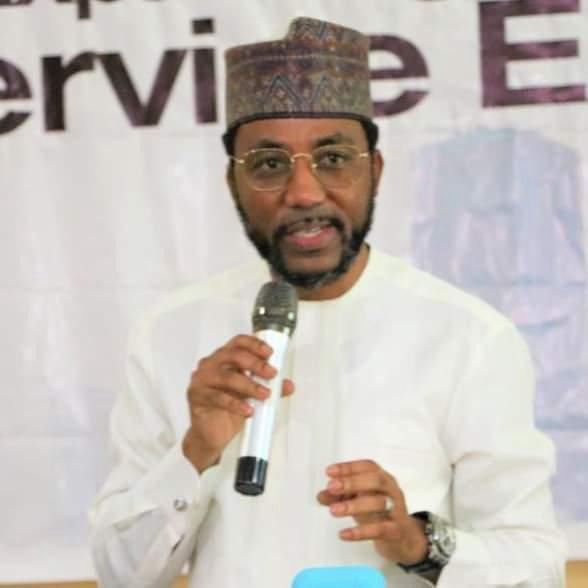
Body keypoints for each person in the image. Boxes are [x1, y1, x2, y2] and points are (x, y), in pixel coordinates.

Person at [90, 17, 566, 588]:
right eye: (269, 164)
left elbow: (535, 568)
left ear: (375, 171)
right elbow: (121, 575)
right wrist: (195, 452)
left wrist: (419, 543)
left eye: (334, 158)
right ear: (233, 184)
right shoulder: (170, 333)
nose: (305, 193)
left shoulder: (468, 337)